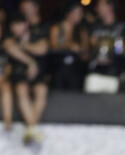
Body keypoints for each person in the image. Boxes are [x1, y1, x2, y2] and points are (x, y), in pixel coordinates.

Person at [4, 5, 49, 145]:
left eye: (18, 24)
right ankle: (33, 128)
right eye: (13, 25)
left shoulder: (37, 34)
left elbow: (42, 49)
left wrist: (25, 46)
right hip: (18, 74)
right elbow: (10, 48)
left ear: (25, 24)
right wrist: (31, 62)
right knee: (21, 89)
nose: (15, 28)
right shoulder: (9, 38)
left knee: (41, 90)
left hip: (37, 76)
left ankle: (31, 127)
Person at [49, 2, 89, 91]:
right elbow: (53, 47)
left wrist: (79, 50)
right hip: (59, 67)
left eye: (81, 13)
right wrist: (68, 46)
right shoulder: (57, 28)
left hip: (76, 68)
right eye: (78, 13)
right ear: (69, 14)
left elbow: (86, 53)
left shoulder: (81, 30)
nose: (80, 16)